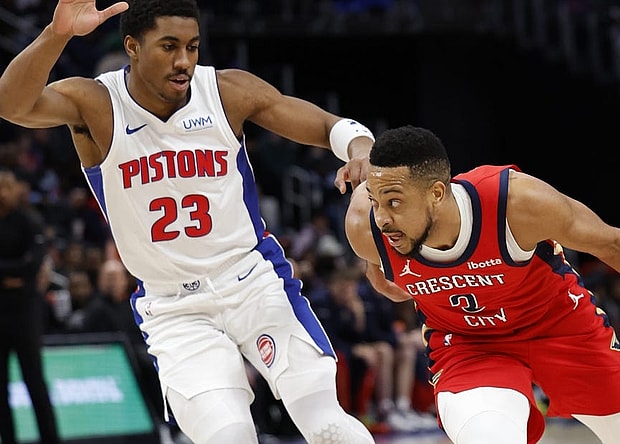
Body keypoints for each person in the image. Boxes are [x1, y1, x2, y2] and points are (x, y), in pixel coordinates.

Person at [0, 1, 377, 443]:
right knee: (229, 435)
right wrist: (56, 34)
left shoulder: (225, 91)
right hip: (173, 307)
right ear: (133, 47)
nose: (184, 61)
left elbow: (329, 125)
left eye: (192, 47)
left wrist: (360, 148)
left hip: (252, 281)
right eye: (169, 46)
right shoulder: (97, 103)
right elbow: (11, 104)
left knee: (325, 421)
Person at [344, 125, 620, 444]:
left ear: (437, 193)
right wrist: (396, 280)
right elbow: (380, 270)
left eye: (394, 203)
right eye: (377, 201)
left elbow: (612, 244)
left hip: (559, 325)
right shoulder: (367, 228)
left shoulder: (516, 204)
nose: (383, 217)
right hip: (470, 344)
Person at [0, 169, 61, 444]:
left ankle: (50, 439)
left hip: (25, 310)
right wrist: (15, 274)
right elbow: (24, 267)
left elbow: (34, 263)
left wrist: (15, 275)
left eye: (6, 187)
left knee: (34, 380)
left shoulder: (28, 220)